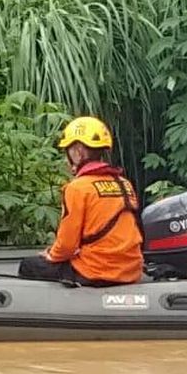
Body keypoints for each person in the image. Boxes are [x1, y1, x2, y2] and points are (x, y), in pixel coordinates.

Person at [19, 117, 143, 286]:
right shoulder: (124, 183)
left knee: (28, 266)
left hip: (96, 272)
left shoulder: (77, 188)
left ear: (77, 151)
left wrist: (50, 254)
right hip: (131, 270)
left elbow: (66, 246)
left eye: (68, 150)